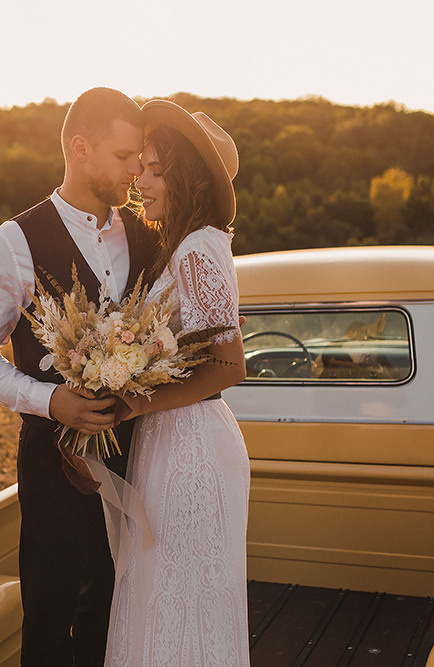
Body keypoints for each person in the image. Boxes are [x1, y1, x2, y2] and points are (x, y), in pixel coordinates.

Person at [0, 87, 159, 666]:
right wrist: (47, 400)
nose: (135, 173)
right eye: (124, 158)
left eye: (140, 160)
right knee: (50, 613)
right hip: (53, 462)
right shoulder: (11, 243)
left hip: (139, 458)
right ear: (81, 148)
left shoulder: (147, 237)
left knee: (117, 608)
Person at [103, 100, 251, 666]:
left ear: (186, 178)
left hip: (191, 448)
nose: (140, 182)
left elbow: (228, 365)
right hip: (173, 439)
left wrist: (130, 405)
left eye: (155, 171)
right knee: (169, 600)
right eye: (140, 167)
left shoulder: (196, 250)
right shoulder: (189, 246)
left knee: (184, 603)